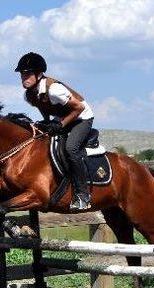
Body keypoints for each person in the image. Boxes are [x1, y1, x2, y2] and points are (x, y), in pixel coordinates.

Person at [15, 52, 94, 210]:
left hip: (81, 118)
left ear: (39, 74)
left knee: (70, 149)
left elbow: (79, 107)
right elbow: (44, 106)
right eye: (22, 74)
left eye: (28, 74)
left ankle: (83, 195)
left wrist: (60, 124)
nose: (24, 78)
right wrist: (47, 122)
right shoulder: (29, 94)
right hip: (62, 118)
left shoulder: (54, 90)